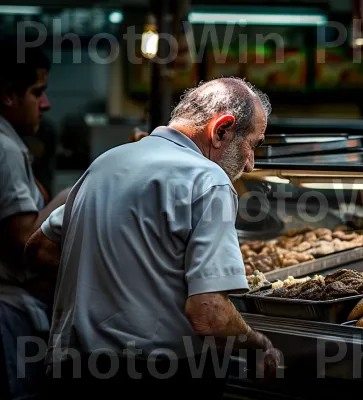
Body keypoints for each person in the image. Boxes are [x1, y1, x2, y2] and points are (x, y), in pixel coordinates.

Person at [24, 77, 279, 397]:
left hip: (74, 371)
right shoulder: (208, 179)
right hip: (155, 377)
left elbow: (39, 249)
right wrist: (258, 345)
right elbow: (209, 314)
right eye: (252, 144)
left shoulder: (107, 162)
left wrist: (114, 278)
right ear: (222, 130)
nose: (251, 163)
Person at [0, 42, 70, 399]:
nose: (46, 104)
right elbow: (27, 246)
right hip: (9, 315)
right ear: (8, 95)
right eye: (37, 92)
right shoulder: (5, 149)